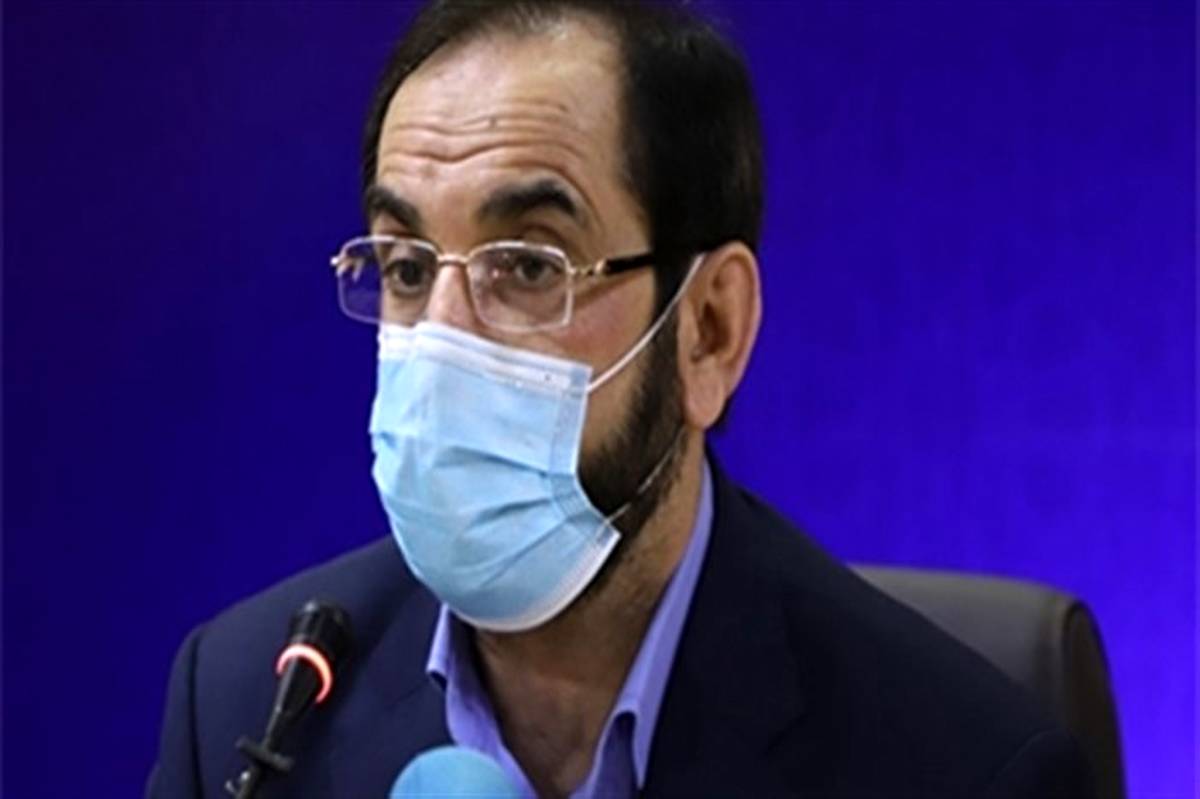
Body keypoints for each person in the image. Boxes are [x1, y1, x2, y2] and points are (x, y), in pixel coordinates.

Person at [148, 1, 1095, 796]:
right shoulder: (245, 707)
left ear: (708, 330)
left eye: (528, 266)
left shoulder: (967, 771)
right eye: (406, 267)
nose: (443, 341)